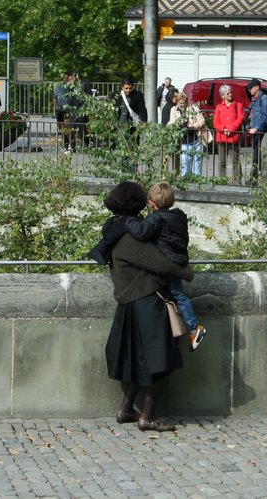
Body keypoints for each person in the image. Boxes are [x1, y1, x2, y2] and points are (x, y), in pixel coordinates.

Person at [94, 181, 193, 433]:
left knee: (137, 362)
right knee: (160, 361)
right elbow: (161, 263)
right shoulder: (131, 235)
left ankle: (126, 408)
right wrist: (186, 272)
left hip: (130, 303)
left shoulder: (115, 229)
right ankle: (147, 416)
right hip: (147, 302)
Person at [123, 182, 206, 351]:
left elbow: (141, 232)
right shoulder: (179, 216)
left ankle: (195, 327)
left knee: (178, 294)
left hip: (168, 262)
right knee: (171, 293)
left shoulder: (156, 218)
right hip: (179, 258)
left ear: (151, 202)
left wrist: (128, 220)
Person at [168, 92, 208, 177]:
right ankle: (185, 180)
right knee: (185, 162)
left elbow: (202, 121)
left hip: (196, 139)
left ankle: (196, 180)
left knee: (197, 162)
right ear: (177, 102)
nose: (182, 105)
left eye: (184, 102)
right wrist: (177, 124)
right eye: (180, 103)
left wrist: (193, 126)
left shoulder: (193, 108)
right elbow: (171, 123)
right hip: (183, 141)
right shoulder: (174, 110)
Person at [213, 84, 244, 183]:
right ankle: (222, 180)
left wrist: (230, 129)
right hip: (221, 138)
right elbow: (215, 122)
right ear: (223, 96)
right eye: (228, 93)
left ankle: (237, 181)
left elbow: (240, 119)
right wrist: (223, 129)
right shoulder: (218, 107)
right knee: (222, 161)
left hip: (233, 138)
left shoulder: (238, 105)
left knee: (235, 161)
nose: (230, 94)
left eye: (231, 92)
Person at [246, 78, 267, 184]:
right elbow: (251, 115)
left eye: (251, 87)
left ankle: (255, 180)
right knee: (255, 157)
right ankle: (254, 179)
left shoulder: (264, 99)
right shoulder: (254, 99)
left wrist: (257, 128)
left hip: (261, 132)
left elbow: (265, 117)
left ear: (257, 87)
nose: (249, 90)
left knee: (258, 157)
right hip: (255, 132)